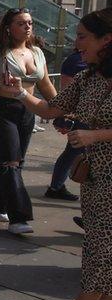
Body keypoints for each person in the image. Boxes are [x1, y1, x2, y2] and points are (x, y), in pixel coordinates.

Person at [0, 8, 112, 300]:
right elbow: (49, 108)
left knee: (101, 241)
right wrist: (19, 91)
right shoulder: (89, 78)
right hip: (96, 174)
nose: (77, 44)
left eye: (83, 37)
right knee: (102, 238)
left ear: (107, 39)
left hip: (106, 174)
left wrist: (94, 134)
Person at [0, 8, 57, 234]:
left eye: (29, 22)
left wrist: (62, 107)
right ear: (9, 28)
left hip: (28, 110)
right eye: (21, 23)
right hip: (1, 111)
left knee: (13, 161)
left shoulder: (37, 53)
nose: (28, 27)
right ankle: (18, 217)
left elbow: (46, 84)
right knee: (11, 162)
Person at [45, 49, 89, 201]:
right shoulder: (77, 61)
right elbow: (66, 94)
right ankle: (56, 187)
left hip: (86, 118)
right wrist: (63, 118)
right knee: (74, 152)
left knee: (73, 152)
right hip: (82, 118)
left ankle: (56, 186)